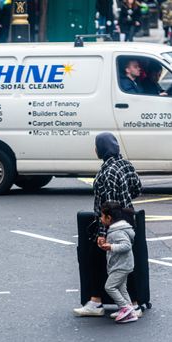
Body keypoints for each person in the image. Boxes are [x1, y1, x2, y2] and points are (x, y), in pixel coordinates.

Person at [73, 132, 142, 317]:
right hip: (128, 220)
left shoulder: (108, 171)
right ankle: (131, 303)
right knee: (125, 261)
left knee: (98, 259)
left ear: (101, 149)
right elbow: (137, 188)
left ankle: (98, 302)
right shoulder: (126, 164)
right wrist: (125, 200)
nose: (95, 149)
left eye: (96, 146)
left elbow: (108, 207)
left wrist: (103, 232)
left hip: (113, 224)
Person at [98, 201, 138, 324]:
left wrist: (111, 247)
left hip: (121, 265)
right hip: (121, 264)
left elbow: (126, 246)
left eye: (102, 216)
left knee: (109, 287)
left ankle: (125, 308)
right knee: (122, 288)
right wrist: (107, 245)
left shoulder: (117, 231)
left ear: (109, 218)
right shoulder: (116, 229)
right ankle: (130, 311)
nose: (100, 218)